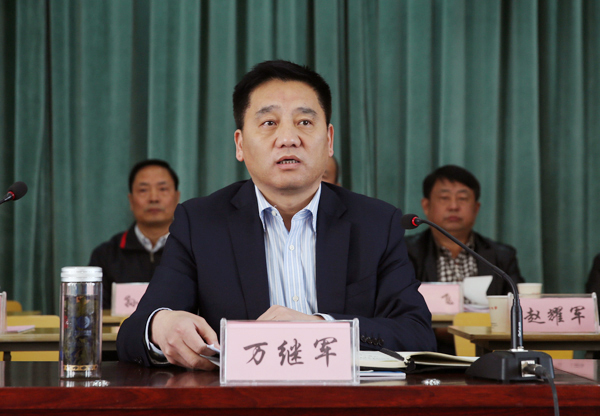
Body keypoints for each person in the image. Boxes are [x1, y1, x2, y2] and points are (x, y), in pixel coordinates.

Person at [117, 60, 436, 369]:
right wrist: (159, 325)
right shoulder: (200, 223)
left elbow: (418, 334)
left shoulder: (376, 223)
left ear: (329, 141)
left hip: (346, 398)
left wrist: (324, 328)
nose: (288, 139)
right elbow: (132, 334)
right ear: (240, 145)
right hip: (242, 399)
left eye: (304, 122)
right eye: (269, 123)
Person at [405, 165, 524, 295]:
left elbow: (518, 302)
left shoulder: (502, 256)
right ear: (426, 206)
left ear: (476, 208)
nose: (454, 206)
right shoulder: (403, 252)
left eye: (462, 198)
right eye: (444, 198)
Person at [89, 159, 181, 309]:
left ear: (177, 198)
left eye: (163, 189)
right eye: (143, 190)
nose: (153, 198)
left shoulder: (194, 251)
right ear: (131, 201)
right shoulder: (105, 255)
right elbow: (95, 313)